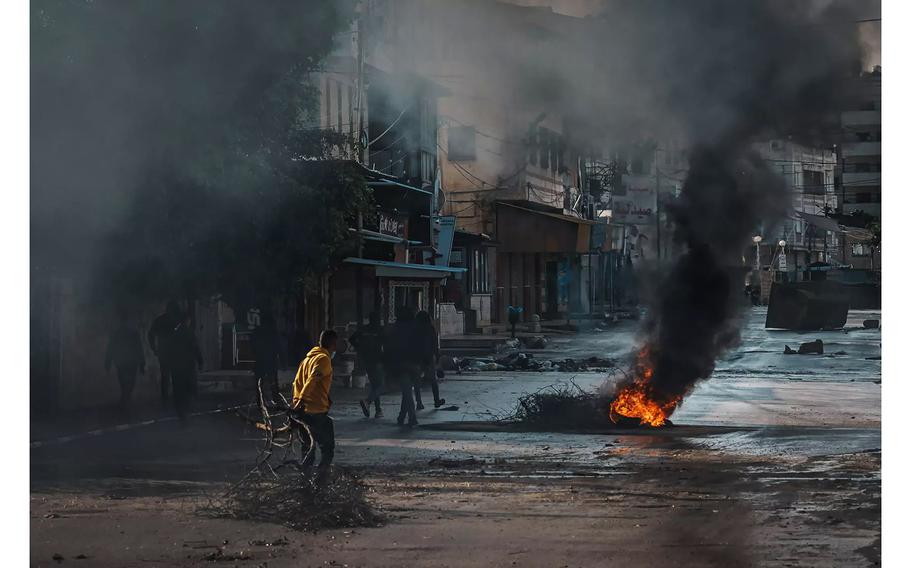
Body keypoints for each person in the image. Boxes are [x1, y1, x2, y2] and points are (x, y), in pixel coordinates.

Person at [292, 329, 338, 471]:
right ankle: (320, 479)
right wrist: (302, 398)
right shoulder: (323, 359)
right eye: (335, 344)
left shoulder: (306, 360)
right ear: (332, 344)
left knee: (307, 448)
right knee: (327, 448)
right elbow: (313, 379)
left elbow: (296, 383)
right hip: (315, 411)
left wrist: (296, 402)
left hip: (302, 412)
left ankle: (306, 480)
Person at [105, 309, 146, 417]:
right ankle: (125, 403)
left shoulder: (117, 333)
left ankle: (124, 402)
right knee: (129, 383)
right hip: (131, 362)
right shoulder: (133, 333)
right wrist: (142, 364)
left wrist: (108, 362)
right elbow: (139, 349)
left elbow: (111, 349)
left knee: (124, 383)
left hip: (122, 362)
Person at [384, 306, 420, 427]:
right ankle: (403, 416)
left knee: (407, 391)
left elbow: (389, 347)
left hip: (399, 363)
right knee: (407, 390)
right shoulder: (416, 328)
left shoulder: (395, 329)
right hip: (414, 363)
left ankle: (411, 417)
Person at [350, 312, 385, 418]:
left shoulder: (363, 329)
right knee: (381, 385)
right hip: (377, 359)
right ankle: (368, 401)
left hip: (366, 359)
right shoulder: (379, 330)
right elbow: (386, 344)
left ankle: (378, 410)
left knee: (374, 384)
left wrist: (359, 348)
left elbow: (351, 339)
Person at [169, 312, 203, 423]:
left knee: (178, 391)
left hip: (176, 366)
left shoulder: (174, 333)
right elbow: (195, 348)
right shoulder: (189, 333)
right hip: (188, 366)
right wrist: (200, 361)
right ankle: (187, 413)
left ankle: (181, 413)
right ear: (187, 321)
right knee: (189, 389)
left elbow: (169, 350)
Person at [147, 301, 181, 403]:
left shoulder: (160, 320)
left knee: (166, 376)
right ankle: (174, 397)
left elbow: (150, 334)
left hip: (165, 351)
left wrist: (154, 348)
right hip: (173, 352)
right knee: (175, 375)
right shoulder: (176, 320)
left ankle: (166, 398)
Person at [414, 310, 445, 409]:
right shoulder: (430, 328)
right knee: (433, 381)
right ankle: (436, 400)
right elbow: (435, 344)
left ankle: (419, 402)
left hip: (418, 357)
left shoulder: (415, 328)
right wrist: (437, 356)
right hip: (428, 357)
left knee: (417, 381)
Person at [252, 313, 282, 402]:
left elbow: (253, 346)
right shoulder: (273, 332)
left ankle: (261, 402)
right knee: (272, 383)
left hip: (260, 360)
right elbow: (278, 347)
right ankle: (276, 401)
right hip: (270, 361)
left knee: (260, 384)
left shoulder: (257, 331)